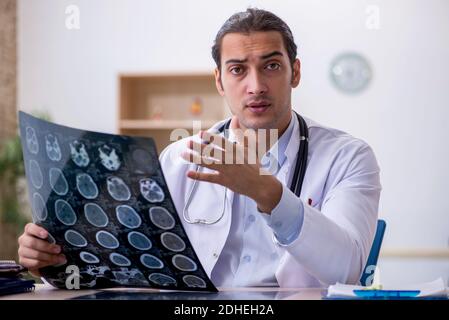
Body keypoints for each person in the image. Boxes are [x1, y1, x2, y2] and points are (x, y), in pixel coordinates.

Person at [17, 8, 381, 287]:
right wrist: (56, 264)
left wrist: (266, 191)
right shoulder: (178, 159)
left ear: (295, 72)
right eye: (238, 70)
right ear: (220, 81)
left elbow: (347, 269)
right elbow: (129, 262)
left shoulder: (347, 157)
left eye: (271, 65)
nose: (256, 86)